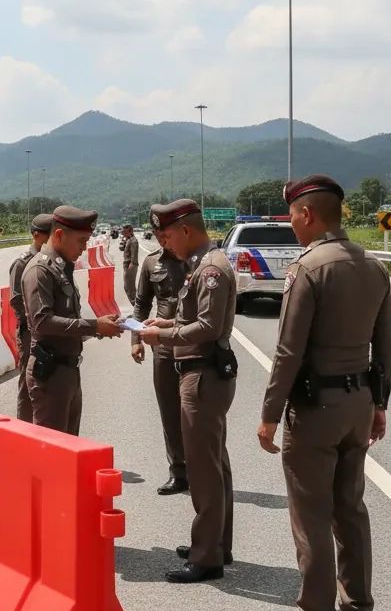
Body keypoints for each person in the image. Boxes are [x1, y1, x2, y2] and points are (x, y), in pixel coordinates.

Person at [256, 175, 391, 611]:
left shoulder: (309, 268)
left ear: (308, 214)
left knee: (311, 513)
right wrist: (380, 404)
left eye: (293, 214)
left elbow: (289, 350)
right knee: (350, 508)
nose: (291, 223)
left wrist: (270, 413)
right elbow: (386, 345)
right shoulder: (373, 266)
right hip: (358, 403)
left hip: (315, 409)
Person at [140, 199, 237, 583]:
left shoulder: (210, 268)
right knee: (214, 461)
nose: (167, 244)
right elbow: (197, 318)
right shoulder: (202, 264)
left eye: (168, 235)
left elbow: (209, 328)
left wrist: (162, 334)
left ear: (186, 230)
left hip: (202, 374)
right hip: (203, 372)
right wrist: (168, 320)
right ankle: (216, 544)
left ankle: (207, 556)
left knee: (203, 467)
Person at [20, 206, 123, 435]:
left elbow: (67, 318)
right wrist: (95, 326)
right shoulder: (41, 270)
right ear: (59, 235)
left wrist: (98, 326)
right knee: (53, 451)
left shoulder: (60, 268)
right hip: (51, 373)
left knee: (70, 446)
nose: (84, 248)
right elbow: (43, 322)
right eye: (81, 241)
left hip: (67, 370)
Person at [130, 233, 188, 495]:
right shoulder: (151, 263)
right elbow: (141, 303)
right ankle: (178, 471)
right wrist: (135, 339)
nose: (166, 239)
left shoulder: (198, 259)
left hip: (195, 345)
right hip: (163, 349)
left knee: (197, 413)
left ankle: (204, 470)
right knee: (170, 411)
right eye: (161, 234)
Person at [9, 212, 54, 422]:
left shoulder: (52, 261)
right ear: (36, 235)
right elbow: (16, 300)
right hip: (30, 331)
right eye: (48, 235)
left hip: (46, 331)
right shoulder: (22, 263)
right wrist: (34, 324)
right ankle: (24, 428)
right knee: (28, 382)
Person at [121, 224, 139, 304]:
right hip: (127, 265)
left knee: (129, 287)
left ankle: (136, 305)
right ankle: (136, 304)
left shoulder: (133, 241)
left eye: (125, 231)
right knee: (127, 287)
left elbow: (134, 254)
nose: (123, 233)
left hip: (130, 265)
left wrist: (132, 264)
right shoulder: (128, 240)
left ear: (130, 231)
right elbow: (122, 249)